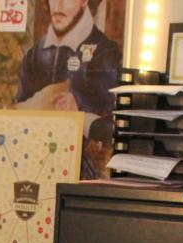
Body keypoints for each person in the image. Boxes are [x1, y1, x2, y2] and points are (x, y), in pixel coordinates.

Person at [14, 0, 122, 176]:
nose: (58, 6)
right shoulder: (34, 56)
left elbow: (117, 127)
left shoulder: (105, 52)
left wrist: (80, 111)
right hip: (35, 166)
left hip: (83, 178)